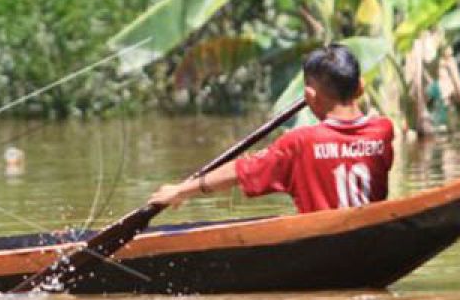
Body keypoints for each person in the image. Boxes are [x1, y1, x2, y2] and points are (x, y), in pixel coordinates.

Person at [149, 44, 394, 213]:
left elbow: (239, 171)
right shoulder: (383, 131)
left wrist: (181, 190)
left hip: (322, 240)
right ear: (360, 88)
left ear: (309, 95)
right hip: (369, 234)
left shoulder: (299, 142)